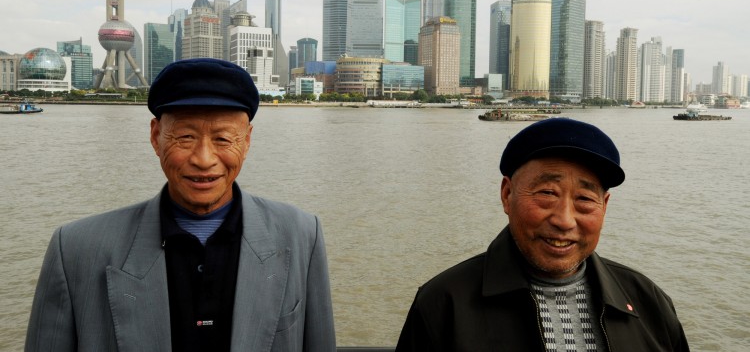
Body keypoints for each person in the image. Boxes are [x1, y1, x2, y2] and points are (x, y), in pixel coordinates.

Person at [26, 58, 336, 352]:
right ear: (156, 136)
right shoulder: (77, 250)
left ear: (247, 141)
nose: (203, 159)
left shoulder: (301, 236)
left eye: (223, 139)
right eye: (185, 137)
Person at [396, 117, 689, 351]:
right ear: (507, 194)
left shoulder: (647, 302)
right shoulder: (443, 304)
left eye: (585, 199)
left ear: (605, 205)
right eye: (547, 192)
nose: (564, 220)